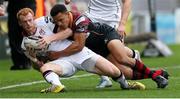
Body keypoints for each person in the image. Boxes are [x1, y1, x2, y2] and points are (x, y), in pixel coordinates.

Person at [17, 8, 145, 93]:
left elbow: (68, 31)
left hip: (77, 53)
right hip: (61, 63)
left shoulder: (44, 21)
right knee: (44, 69)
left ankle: (125, 84)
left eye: (30, 20)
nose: (28, 24)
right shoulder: (25, 44)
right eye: (24, 22)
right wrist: (35, 59)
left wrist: (49, 38)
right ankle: (56, 86)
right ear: (20, 23)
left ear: (33, 17)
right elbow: (36, 65)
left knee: (114, 71)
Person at [45, 4, 169, 89]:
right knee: (125, 73)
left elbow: (79, 46)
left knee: (122, 59)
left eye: (61, 20)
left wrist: (57, 54)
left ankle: (155, 77)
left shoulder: (80, 20)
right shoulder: (58, 24)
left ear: (67, 14)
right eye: (57, 22)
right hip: (99, 49)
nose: (59, 24)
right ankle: (158, 73)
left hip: (106, 35)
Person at [63, 0, 140, 88]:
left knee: (116, 56)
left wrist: (122, 24)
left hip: (111, 18)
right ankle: (105, 78)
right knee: (89, 45)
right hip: (92, 16)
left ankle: (133, 54)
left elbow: (127, 2)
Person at [0, 0, 36, 70]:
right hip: (14, 10)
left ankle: (28, 61)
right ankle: (18, 63)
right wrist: (1, 4)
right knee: (13, 35)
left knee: (28, 33)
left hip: (28, 7)